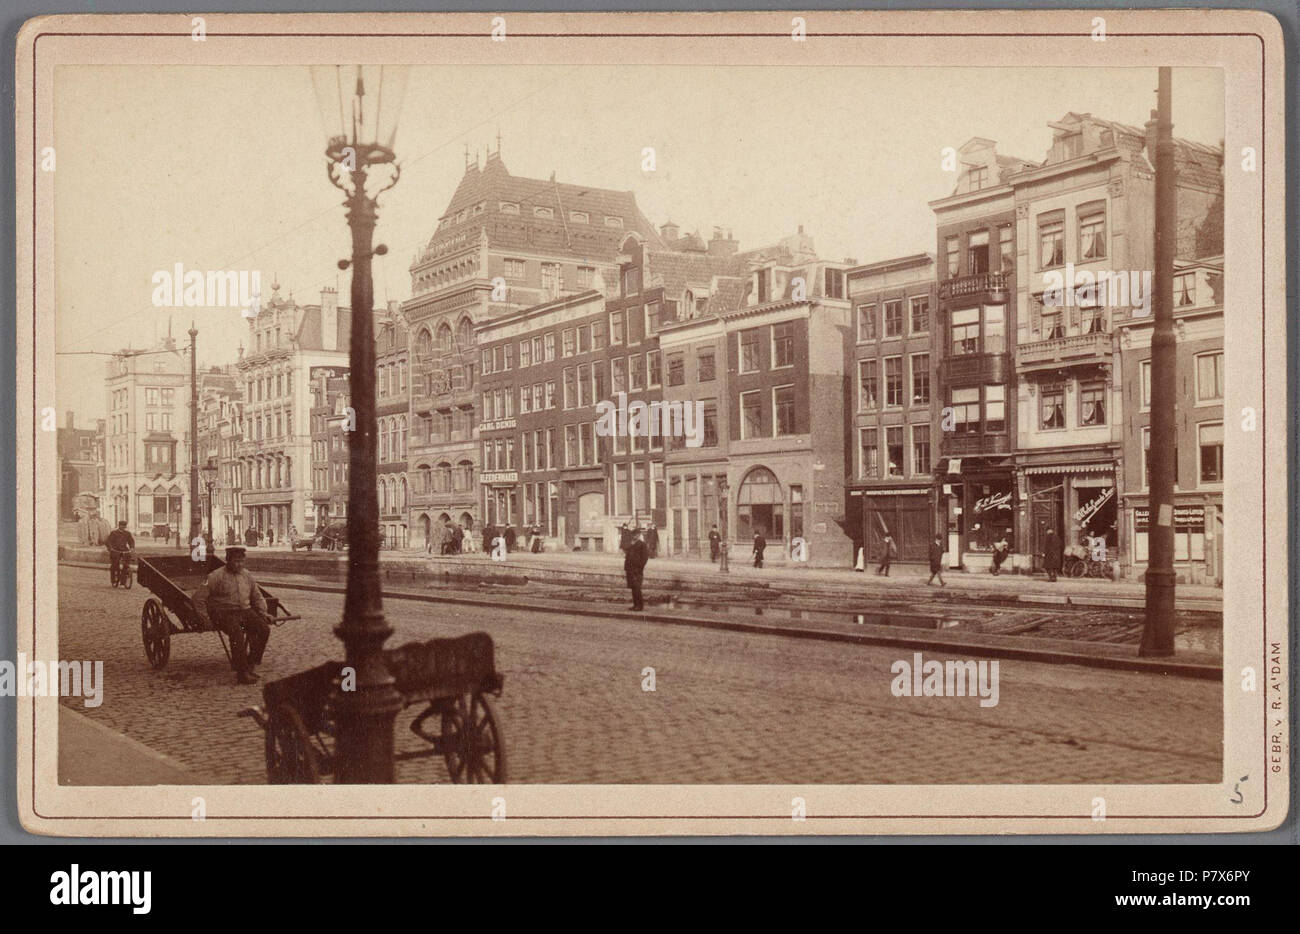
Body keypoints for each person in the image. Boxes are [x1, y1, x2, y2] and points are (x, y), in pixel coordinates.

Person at [192, 546, 272, 684]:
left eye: (241, 561)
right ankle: (241, 673)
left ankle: (250, 664)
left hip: (244, 611)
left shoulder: (247, 575)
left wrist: (264, 613)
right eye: (236, 561)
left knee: (264, 629)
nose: (239, 564)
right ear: (228, 560)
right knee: (237, 634)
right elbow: (198, 598)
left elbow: (257, 596)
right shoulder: (215, 576)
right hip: (223, 612)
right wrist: (205, 619)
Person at [622, 527, 650, 610]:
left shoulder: (642, 544)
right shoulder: (632, 544)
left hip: (637, 570)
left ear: (638, 535)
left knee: (637, 587)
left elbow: (645, 558)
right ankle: (635, 605)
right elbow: (627, 554)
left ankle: (640, 606)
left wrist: (639, 567)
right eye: (633, 535)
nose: (634, 536)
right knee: (633, 588)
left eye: (635, 535)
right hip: (630, 569)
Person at [105, 520, 135, 584]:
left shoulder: (127, 533)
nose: (123, 527)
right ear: (119, 526)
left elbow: (131, 541)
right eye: (122, 525)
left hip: (124, 549)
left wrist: (132, 547)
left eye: (124, 526)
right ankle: (113, 579)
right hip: (115, 550)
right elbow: (108, 541)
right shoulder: (114, 533)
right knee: (115, 564)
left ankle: (123, 580)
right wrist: (110, 548)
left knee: (126, 564)